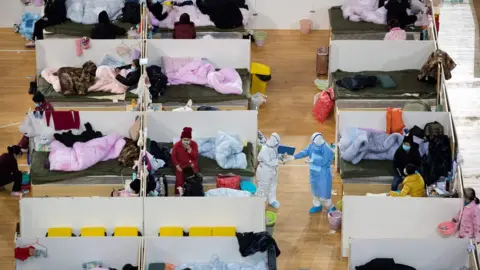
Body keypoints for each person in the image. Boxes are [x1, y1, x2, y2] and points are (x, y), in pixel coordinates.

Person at [284, 132, 336, 214]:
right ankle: (317, 205)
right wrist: (293, 157)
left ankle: (330, 207)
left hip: (323, 174)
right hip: (314, 173)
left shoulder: (326, 148)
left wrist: (313, 160)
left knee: (324, 194)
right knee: (315, 191)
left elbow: (325, 161)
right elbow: (304, 152)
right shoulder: (312, 145)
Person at [255, 133, 281, 209]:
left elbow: (276, 155)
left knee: (273, 185)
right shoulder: (264, 149)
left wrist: (282, 157)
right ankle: (259, 202)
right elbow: (269, 162)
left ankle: (272, 200)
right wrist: (278, 161)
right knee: (263, 187)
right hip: (265, 171)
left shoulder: (274, 147)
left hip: (273, 170)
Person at [171, 127, 199, 195]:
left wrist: (190, 150)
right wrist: (177, 165)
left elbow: (195, 156)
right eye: (184, 139)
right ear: (181, 139)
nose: (186, 141)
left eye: (188, 140)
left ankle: (190, 195)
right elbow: (173, 156)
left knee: (191, 182)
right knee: (179, 182)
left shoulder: (194, 144)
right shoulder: (177, 145)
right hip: (181, 166)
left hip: (191, 166)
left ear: (190, 139)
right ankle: (178, 195)